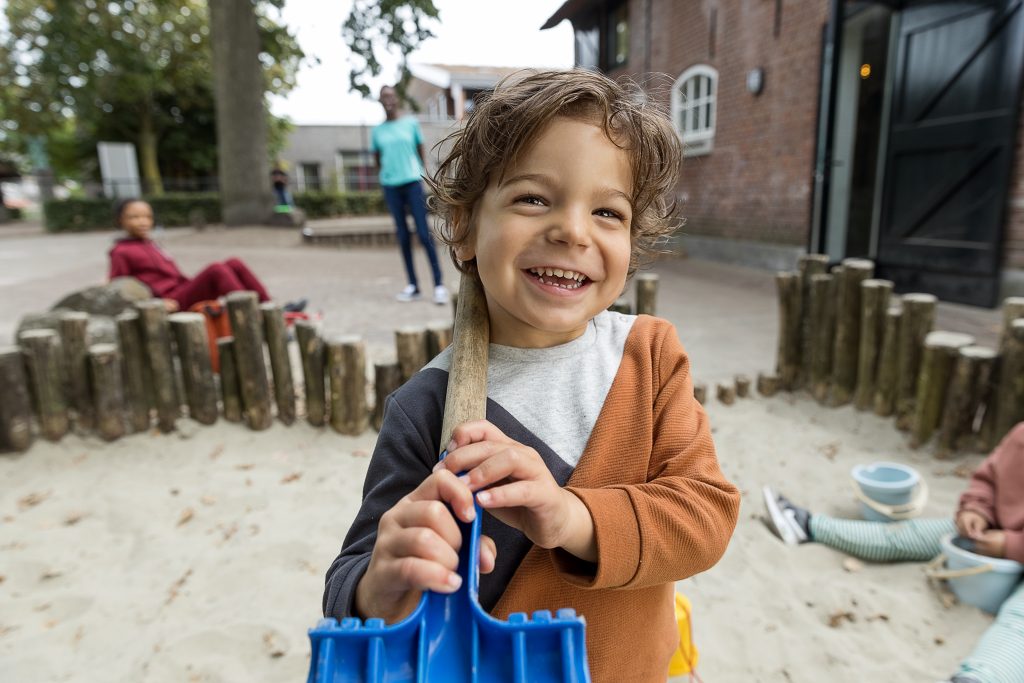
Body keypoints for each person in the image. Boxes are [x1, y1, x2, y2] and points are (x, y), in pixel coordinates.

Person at [323, 69, 741, 682]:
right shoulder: (426, 407)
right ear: (463, 226)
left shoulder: (649, 358)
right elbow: (350, 585)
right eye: (533, 198)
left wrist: (572, 517)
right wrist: (382, 587)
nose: (572, 230)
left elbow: (704, 517)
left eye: (607, 211)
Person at [763, 424, 1024, 683]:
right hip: (989, 533)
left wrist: (1010, 545)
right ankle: (811, 526)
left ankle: (976, 679)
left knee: (1017, 623)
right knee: (906, 534)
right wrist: (976, 510)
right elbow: (988, 480)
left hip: (1009, 546)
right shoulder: (1020, 435)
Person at [107, 198, 306, 313]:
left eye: (147, 217)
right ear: (120, 221)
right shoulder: (121, 252)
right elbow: (119, 291)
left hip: (182, 288)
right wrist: (156, 304)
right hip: (171, 300)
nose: (143, 222)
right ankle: (252, 316)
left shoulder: (151, 244)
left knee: (234, 262)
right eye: (134, 217)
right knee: (216, 270)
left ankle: (269, 307)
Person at [372, 84, 449, 305]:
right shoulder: (377, 131)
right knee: (403, 237)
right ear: (380, 101)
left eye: (391, 96)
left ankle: (438, 285)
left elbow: (420, 151)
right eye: (383, 96)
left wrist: (422, 174)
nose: (388, 100)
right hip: (391, 186)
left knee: (424, 235)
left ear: (396, 99)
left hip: (412, 183)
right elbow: (377, 158)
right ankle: (413, 285)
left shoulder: (410, 124)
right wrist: (384, 177)